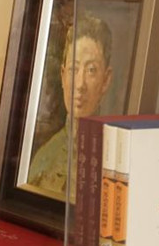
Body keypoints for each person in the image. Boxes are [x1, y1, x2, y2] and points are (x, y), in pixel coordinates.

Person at [28, 14, 114, 195]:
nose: (80, 84)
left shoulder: (114, 155)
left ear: (105, 80)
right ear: (62, 75)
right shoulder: (44, 157)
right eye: (73, 69)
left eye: (91, 70)